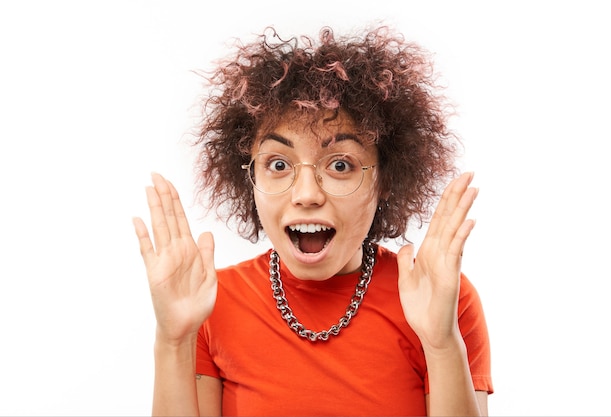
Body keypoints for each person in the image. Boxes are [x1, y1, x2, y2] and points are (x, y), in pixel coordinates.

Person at [133, 24, 493, 416]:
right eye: (278, 164)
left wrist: (441, 343)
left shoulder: (442, 301)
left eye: (340, 164)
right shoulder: (210, 303)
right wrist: (174, 341)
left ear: (385, 179)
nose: (306, 194)